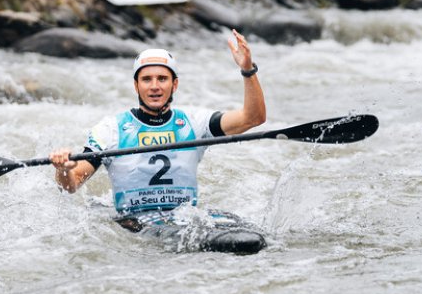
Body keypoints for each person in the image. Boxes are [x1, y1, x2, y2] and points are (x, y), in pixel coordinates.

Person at [49, 30, 266, 226]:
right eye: (146, 79)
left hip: (184, 218)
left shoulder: (194, 122)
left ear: (175, 84)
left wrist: (248, 70)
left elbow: (253, 118)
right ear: (136, 85)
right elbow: (71, 184)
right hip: (134, 223)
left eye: (162, 79)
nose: (154, 86)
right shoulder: (112, 129)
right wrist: (63, 169)